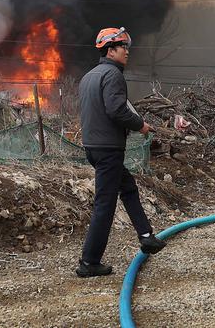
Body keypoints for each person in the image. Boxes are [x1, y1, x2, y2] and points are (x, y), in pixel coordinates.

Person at [76, 26, 165, 278]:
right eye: (122, 47)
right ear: (110, 50)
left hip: (94, 147)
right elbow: (116, 110)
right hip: (108, 149)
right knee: (105, 204)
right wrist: (140, 125)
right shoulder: (113, 75)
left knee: (128, 187)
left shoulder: (89, 76)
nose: (127, 51)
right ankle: (89, 262)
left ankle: (146, 236)